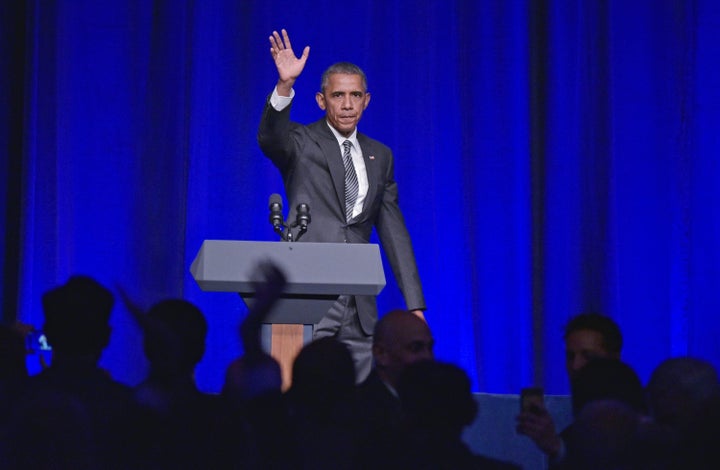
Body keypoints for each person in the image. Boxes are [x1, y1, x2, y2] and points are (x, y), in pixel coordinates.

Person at [257, 29, 426, 382]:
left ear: (367, 100)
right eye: (338, 96)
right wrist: (284, 86)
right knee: (302, 398)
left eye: (355, 96)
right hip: (308, 297)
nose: (347, 104)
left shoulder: (381, 155)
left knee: (361, 405)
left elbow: (394, 231)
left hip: (359, 306)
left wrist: (415, 306)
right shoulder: (301, 142)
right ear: (321, 101)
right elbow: (271, 138)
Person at [516, 312, 623, 465]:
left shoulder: (637, 423)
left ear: (613, 359)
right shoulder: (572, 433)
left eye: (588, 356)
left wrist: (557, 447)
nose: (576, 365)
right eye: (570, 356)